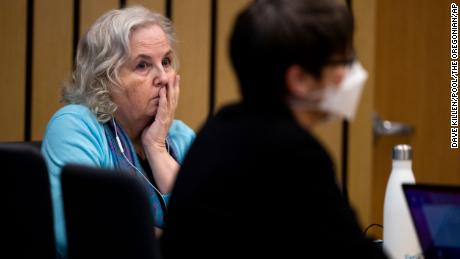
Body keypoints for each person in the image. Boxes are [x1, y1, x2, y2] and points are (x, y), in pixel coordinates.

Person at [161, 0, 387, 258]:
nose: (353, 73)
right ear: (299, 79)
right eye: (343, 61)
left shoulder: (219, 128)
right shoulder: (294, 153)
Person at [41, 6, 195, 259]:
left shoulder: (180, 136)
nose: (164, 78)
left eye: (166, 62)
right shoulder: (76, 126)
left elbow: (210, 230)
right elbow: (77, 233)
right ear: (104, 78)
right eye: (143, 65)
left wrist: (156, 146)